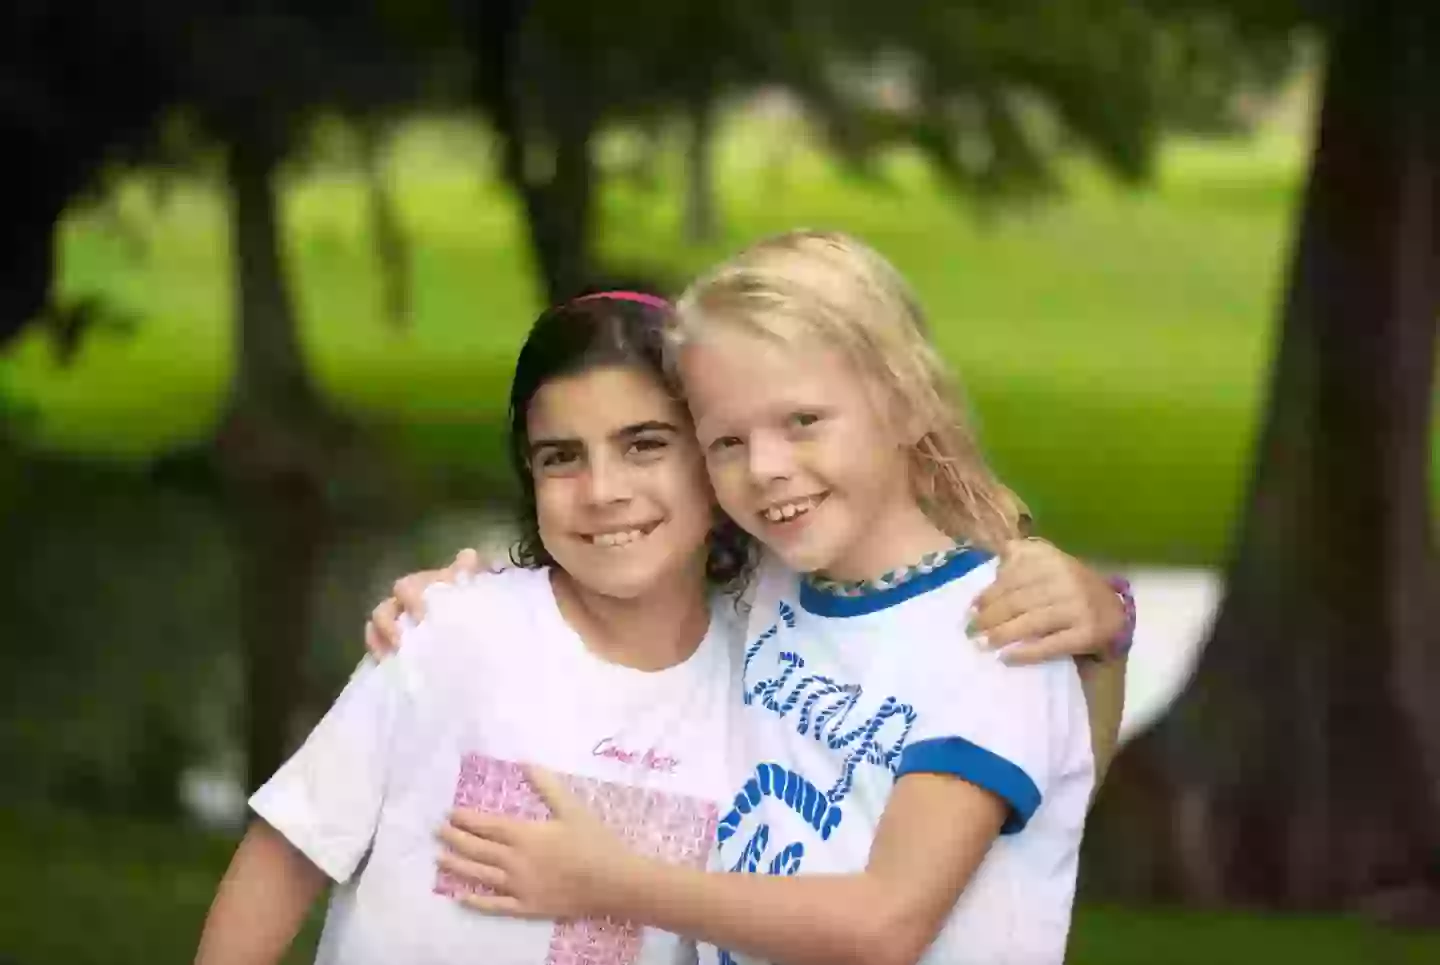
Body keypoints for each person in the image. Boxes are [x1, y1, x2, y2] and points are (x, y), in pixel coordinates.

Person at [426, 232, 1122, 965]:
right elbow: (623, 575)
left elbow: (883, 923)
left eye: (803, 422)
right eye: (726, 441)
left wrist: (612, 880)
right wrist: (460, 603)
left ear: (909, 404)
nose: (765, 468)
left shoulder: (993, 632)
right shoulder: (771, 583)